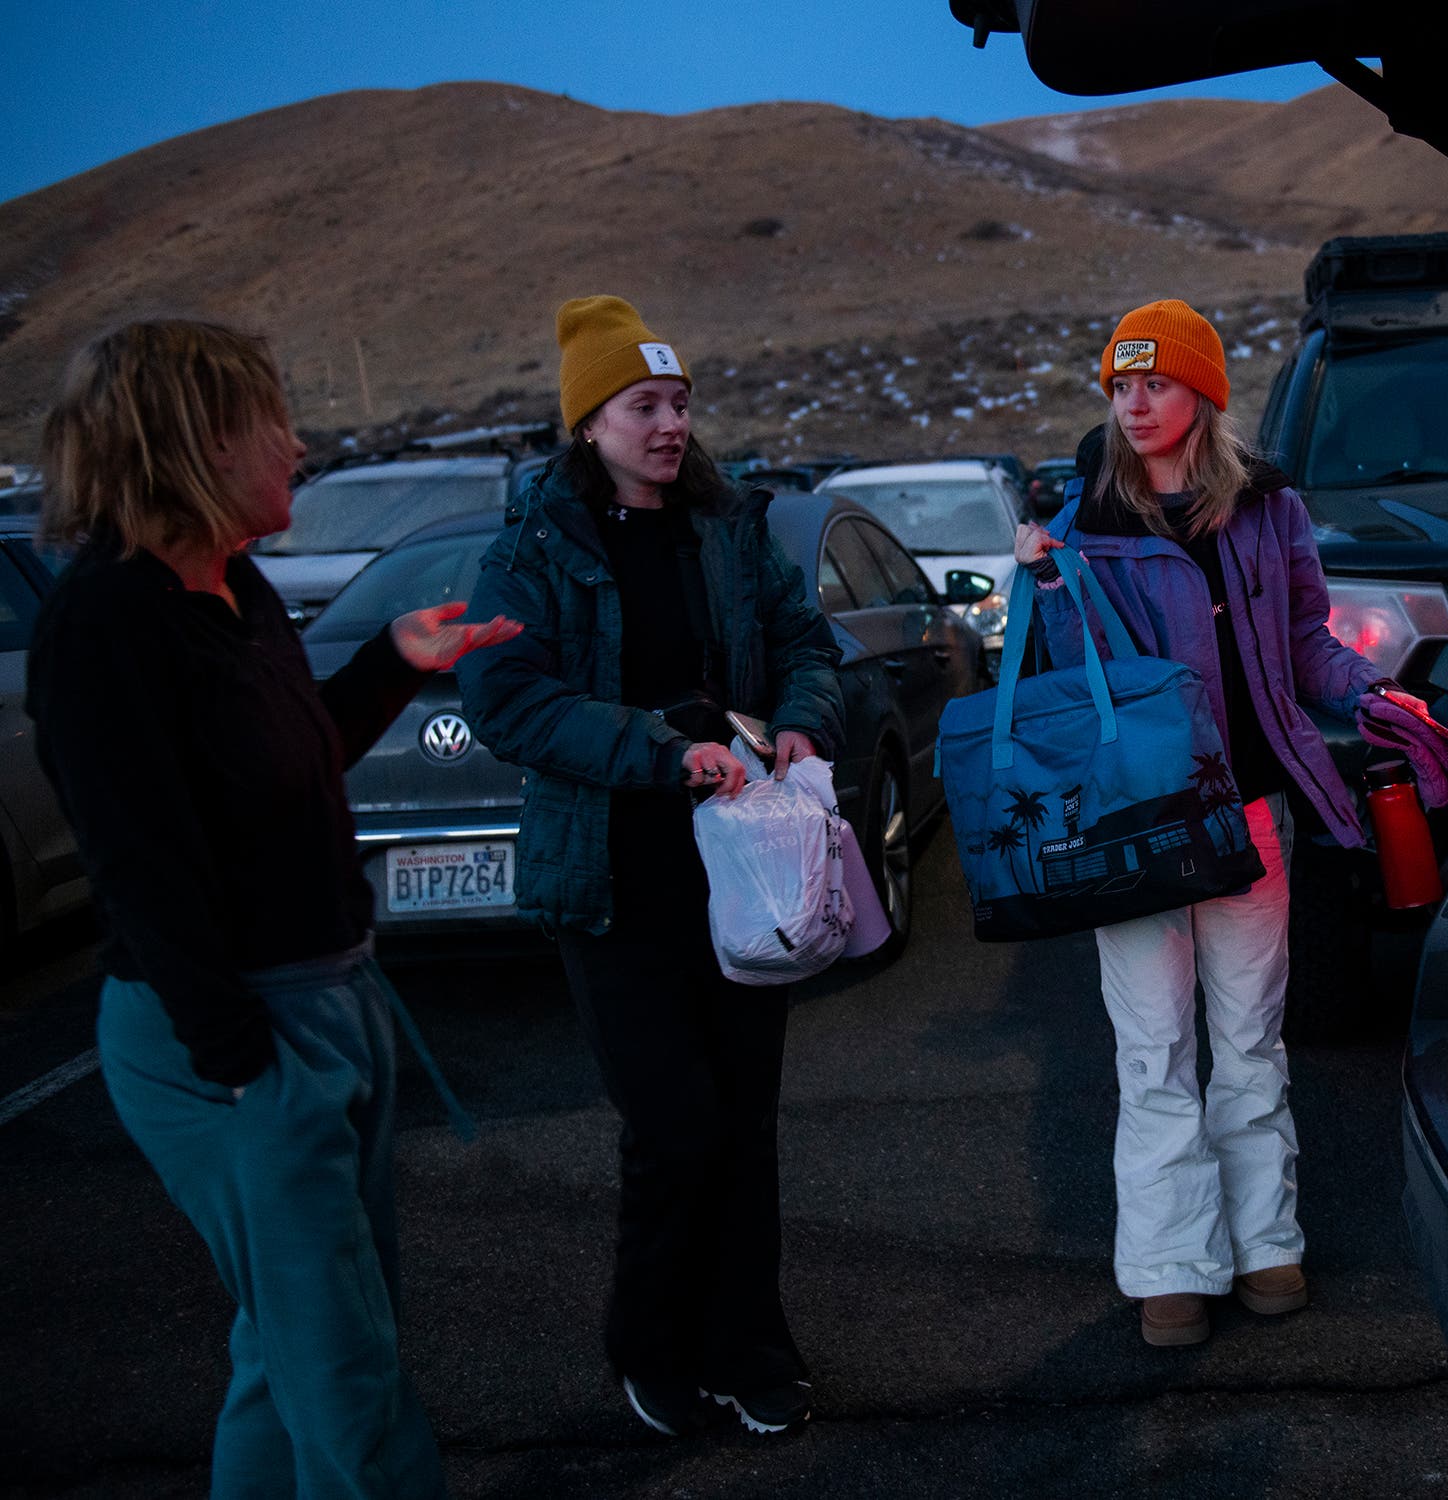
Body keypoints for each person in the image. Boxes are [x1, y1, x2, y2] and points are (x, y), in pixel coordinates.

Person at [26, 319, 521, 1497]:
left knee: (285, 1350)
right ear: (195, 442)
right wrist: (249, 1064)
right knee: (344, 1373)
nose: (297, 445)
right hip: (233, 1038)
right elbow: (141, 867)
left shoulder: (232, 587)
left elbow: (293, 763)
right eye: (271, 422)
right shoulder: (104, 625)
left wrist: (394, 659)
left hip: (328, 1000)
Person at [1013, 299, 1436, 1347]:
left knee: (1250, 1038)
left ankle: (1266, 1244)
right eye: (1120, 385)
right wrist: (1042, 583)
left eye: (1155, 382)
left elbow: (1304, 642)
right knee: (1156, 1048)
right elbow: (1064, 685)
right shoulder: (1082, 525)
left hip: (1246, 814)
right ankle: (1170, 1265)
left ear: (1204, 392)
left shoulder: (1268, 510)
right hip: (1136, 827)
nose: (1135, 403)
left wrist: (1374, 690)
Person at [454, 296, 843, 1435]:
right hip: (612, 884)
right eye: (642, 406)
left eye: (678, 403)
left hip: (744, 874)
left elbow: (807, 644)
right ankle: (651, 1342)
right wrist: (665, 751)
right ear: (588, 423)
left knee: (743, 1118)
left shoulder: (726, 527)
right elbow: (505, 698)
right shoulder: (533, 547)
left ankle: (749, 1348)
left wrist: (807, 718)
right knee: (674, 1124)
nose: (669, 426)